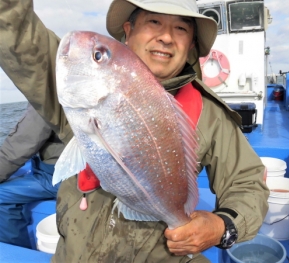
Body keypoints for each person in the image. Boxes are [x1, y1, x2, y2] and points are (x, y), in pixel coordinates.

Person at [0, 0, 269, 262]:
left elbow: (247, 183)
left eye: (181, 29)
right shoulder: (77, 82)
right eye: (153, 21)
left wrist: (223, 226)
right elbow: (17, 31)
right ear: (128, 31)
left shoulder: (211, 115)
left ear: (191, 46)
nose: (165, 36)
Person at [0, 103, 64, 248]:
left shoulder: (49, 98)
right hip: (89, 172)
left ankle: (16, 254)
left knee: (1, 195)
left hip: (62, 177)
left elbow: (18, 146)